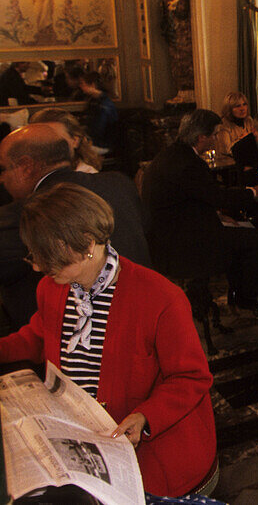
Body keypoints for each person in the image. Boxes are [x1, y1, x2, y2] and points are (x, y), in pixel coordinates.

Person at [0, 184, 216, 497]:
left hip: (155, 454)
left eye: (46, 256)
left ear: (86, 245)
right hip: (86, 438)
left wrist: (145, 417)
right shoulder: (53, 288)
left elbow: (191, 377)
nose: (36, 266)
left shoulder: (160, 297)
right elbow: (39, 335)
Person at [0, 124, 149, 328]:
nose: (2, 178)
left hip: (73, 336)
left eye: (4, 168)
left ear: (26, 166)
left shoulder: (26, 215)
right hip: (143, 313)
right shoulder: (119, 183)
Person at [142, 109, 258, 312]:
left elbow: (190, 198)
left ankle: (236, 293)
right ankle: (247, 298)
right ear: (201, 137)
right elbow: (219, 197)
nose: (215, 139)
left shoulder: (171, 154)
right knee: (256, 238)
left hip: (167, 235)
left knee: (238, 231)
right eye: (214, 135)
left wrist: (216, 214)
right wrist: (254, 192)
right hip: (185, 243)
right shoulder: (189, 163)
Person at [29, 107, 102, 172]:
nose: (46, 146)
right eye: (40, 139)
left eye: (55, 140)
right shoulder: (30, 174)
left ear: (75, 141)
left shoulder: (87, 178)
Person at [77, 70, 119, 153]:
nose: (81, 87)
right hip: (96, 141)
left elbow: (98, 129)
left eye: (83, 84)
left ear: (92, 85)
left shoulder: (104, 105)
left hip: (102, 144)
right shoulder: (93, 100)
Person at [213, 91, 254, 156]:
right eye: (238, 106)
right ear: (229, 109)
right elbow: (227, 150)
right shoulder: (223, 125)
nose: (242, 109)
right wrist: (243, 139)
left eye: (244, 104)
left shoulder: (249, 120)